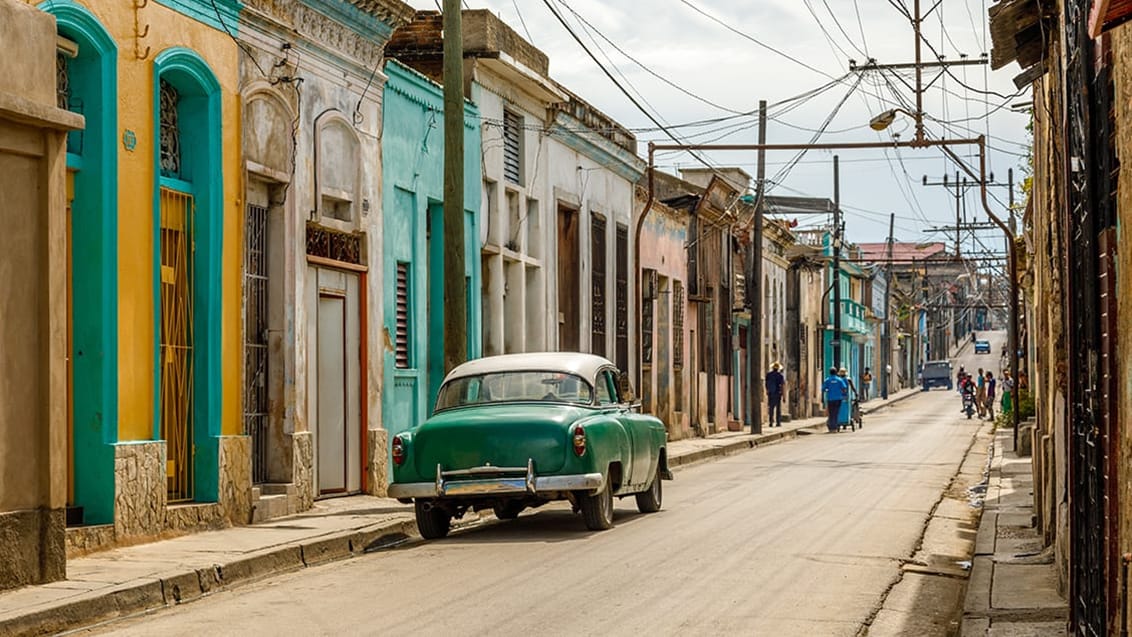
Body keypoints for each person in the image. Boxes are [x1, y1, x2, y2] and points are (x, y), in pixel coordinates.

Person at [822, 367, 848, 433]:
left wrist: (828, 390)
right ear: (836, 372)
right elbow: (844, 388)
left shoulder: (827, 380)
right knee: (836, 413)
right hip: (838, 399)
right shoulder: (839, 380)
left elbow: (823, 389)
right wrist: (843, 394)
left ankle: (831, 427)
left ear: (830, 372)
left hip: (830, 399)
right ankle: (835, 428)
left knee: (831, 413)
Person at [765, 362, 786, 427]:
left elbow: (766, 384)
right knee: (778, 409)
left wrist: (767, 391)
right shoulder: (780, 376)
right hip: (777, 393)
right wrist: (784, 396)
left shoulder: (768, 375)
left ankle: (771, 422)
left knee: (771, 408)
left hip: (771, 393)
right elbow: (782, 385)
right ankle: (778, 422)